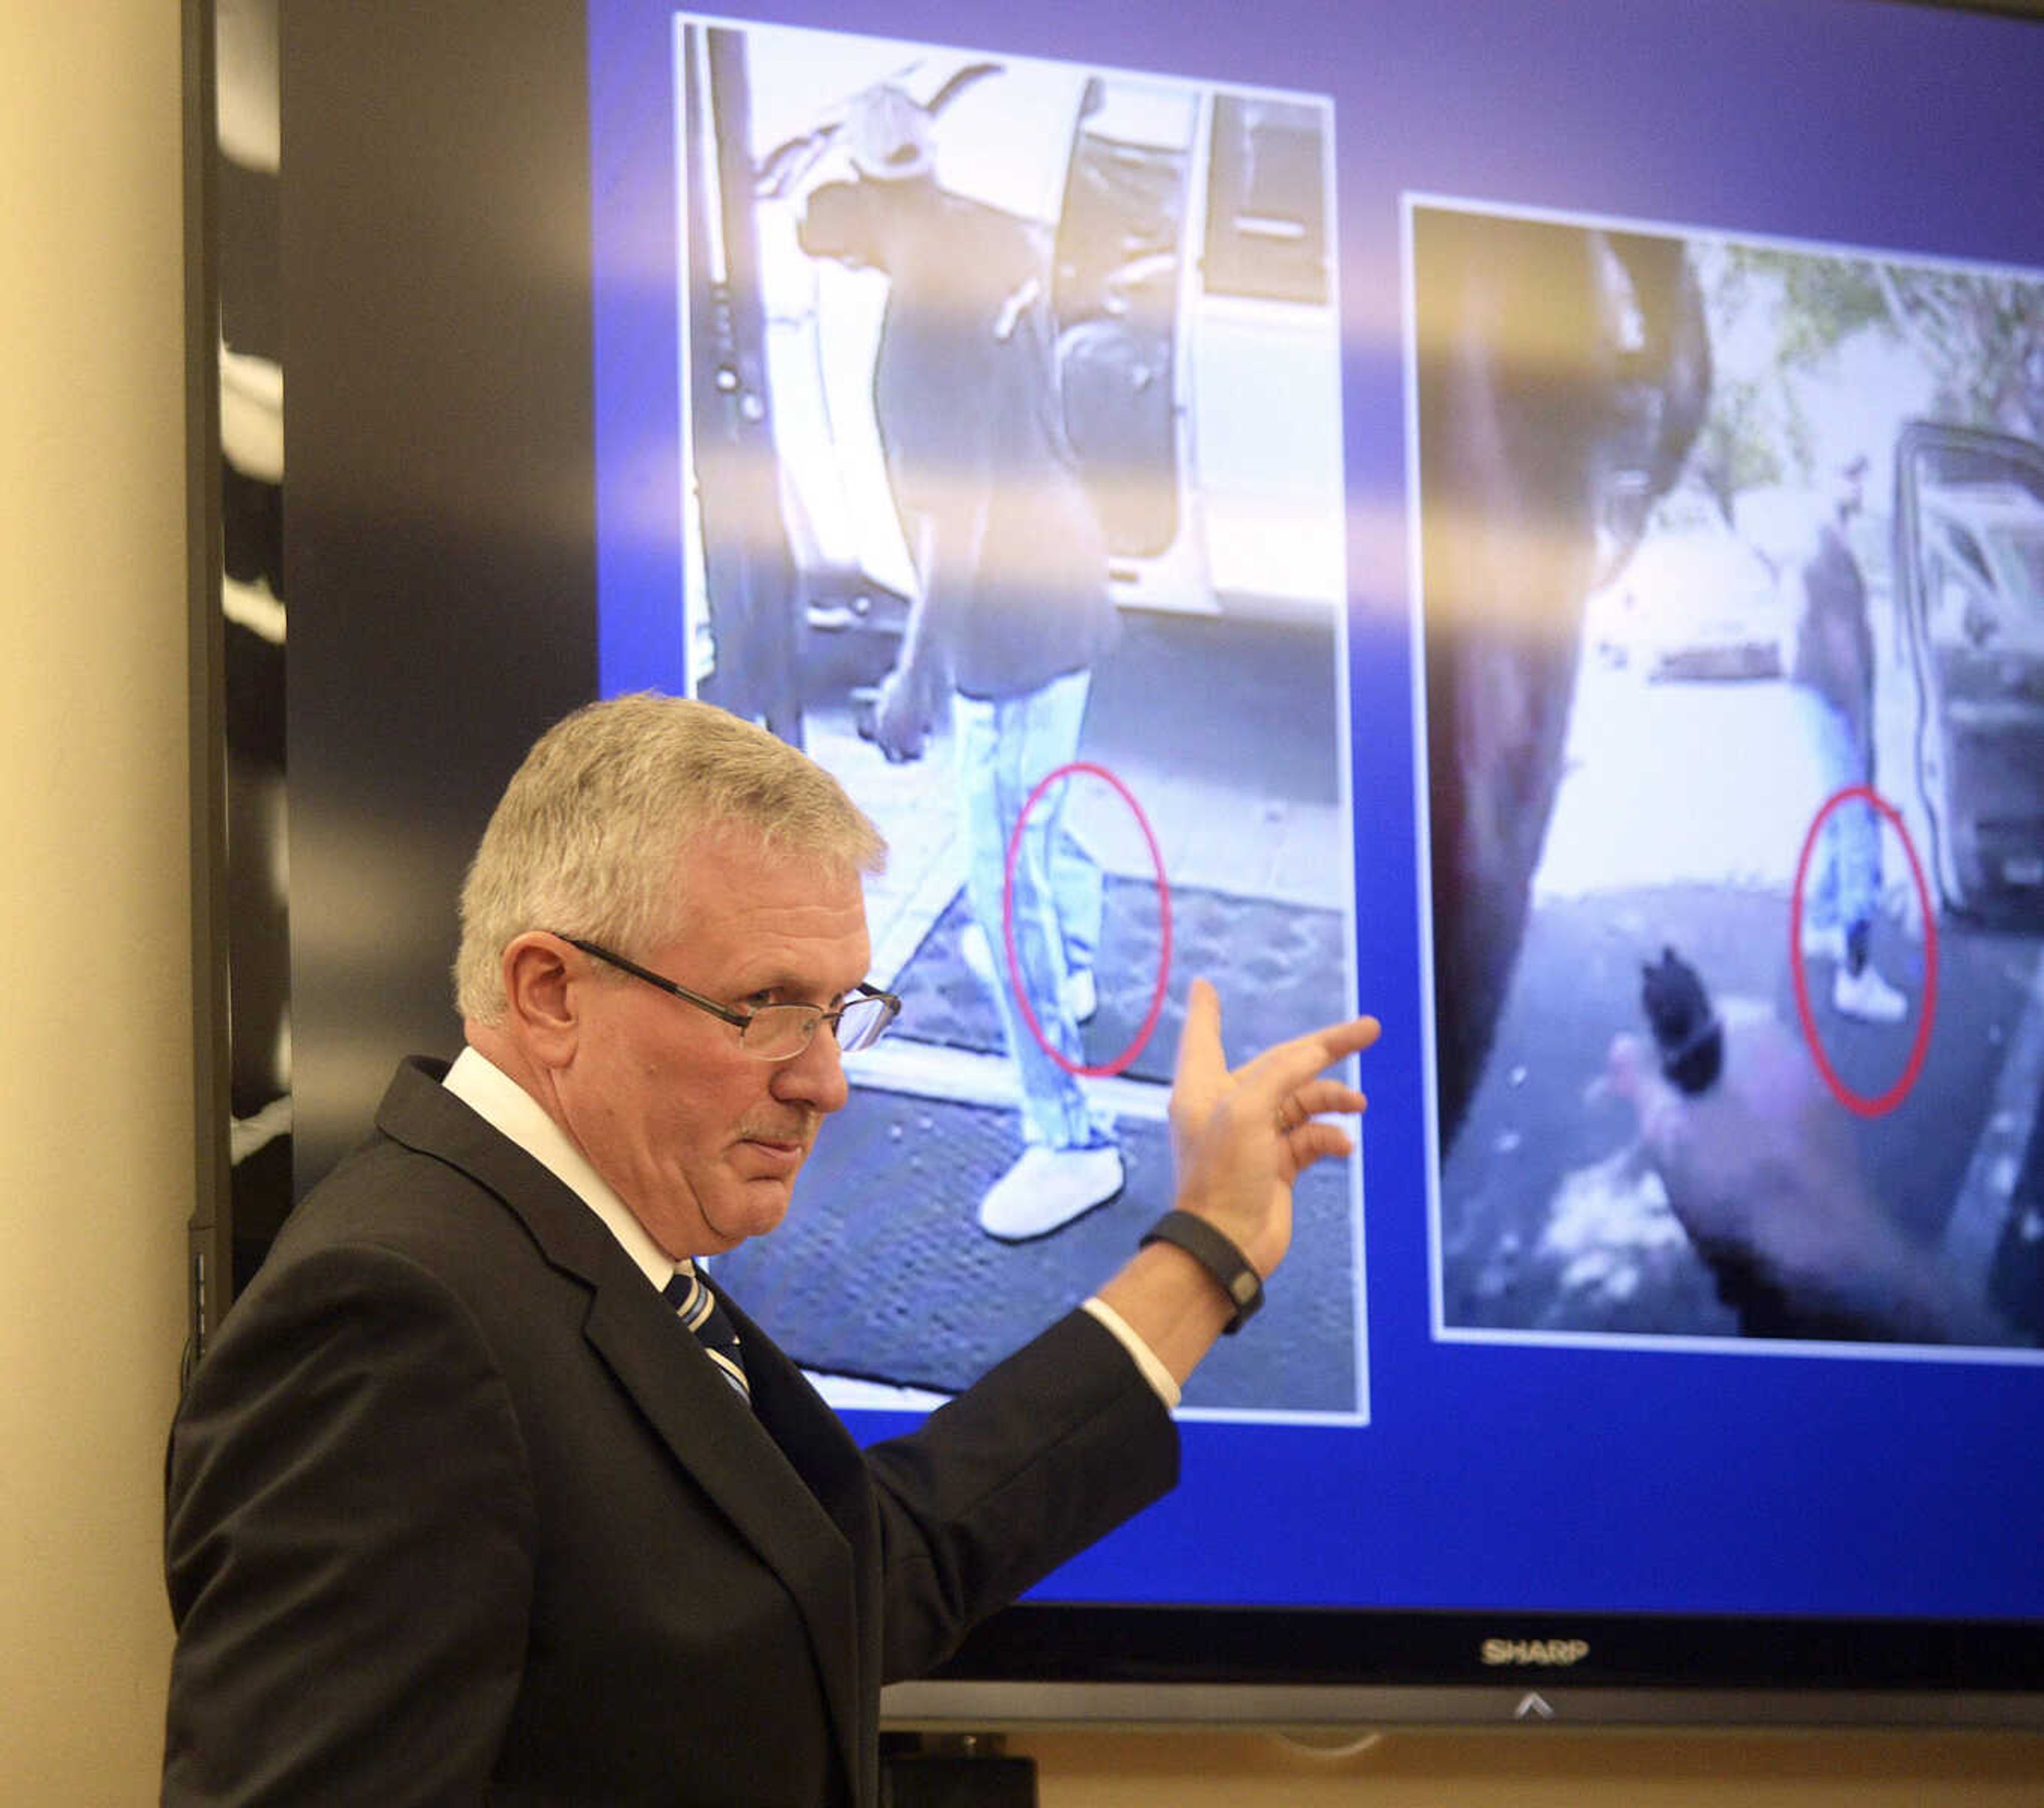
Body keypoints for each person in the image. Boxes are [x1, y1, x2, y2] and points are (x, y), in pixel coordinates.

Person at [162, 693, 1379, 1805]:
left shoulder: (577, 1249)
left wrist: (1208, 1247)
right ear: (549, 991)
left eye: (841, 1008)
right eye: (769, 1009)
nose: (827, 1080)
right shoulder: (394, 1318)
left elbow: (851, 1571)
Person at [1414, 211, 2005, 1346]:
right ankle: (1853, 957)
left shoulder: (1826, 553)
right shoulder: (1818, 560)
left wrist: (1815, 1240)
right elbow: (1823, 652)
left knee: (1851, 850)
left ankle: (1850, 951)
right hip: (1837, 722)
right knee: (1848, 851)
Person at [797, 85, 1125, 1241]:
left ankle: (1070, 1141)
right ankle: (1076, 971)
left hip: (1007, 632)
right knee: (1043, 822)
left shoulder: (917, 335)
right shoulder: (996, 241)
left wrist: (912, 670)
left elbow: (956, 523)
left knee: (1001, 881)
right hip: (1072, 585)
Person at [1789, 452, 1910, 1025]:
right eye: (1849, 478)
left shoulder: (1829, 552)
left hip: (1819, 697)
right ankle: (1856, 977)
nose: (1858, 489)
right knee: (1857, 827)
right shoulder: (1827, 559)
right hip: (1832, 701)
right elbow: (1842, 652)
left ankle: (1820, 924)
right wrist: (1862, 731)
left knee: (1843, 817)